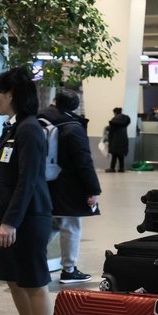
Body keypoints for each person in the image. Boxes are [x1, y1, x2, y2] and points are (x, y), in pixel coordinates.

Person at [0, 68, 54, 315]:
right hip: (13, 216)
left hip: (30, 217)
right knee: (15, 280)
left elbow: (27, 180)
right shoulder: (13, 128)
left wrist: (11, 220)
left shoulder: (29, 129)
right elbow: (5, 175)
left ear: (12, 94)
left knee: (33, 281)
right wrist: (0, 214)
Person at [40, 88, 101, 284]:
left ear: (55, 102)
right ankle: (69, 270)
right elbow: (83, 161)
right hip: (68, 186)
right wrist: (93, 189)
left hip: (42, 182)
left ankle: (32, 261)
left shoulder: (38, 120)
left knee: (51, 224)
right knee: (71, 225)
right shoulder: (72, 126)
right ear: (75, 106)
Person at [105, 107, 129, 173]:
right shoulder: (125, 120)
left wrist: (107, 128)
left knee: (114, 155)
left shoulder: (114, 120)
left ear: (115, 112)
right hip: (124, 139)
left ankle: (112, 168)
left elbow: (111, 130)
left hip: (115, 140)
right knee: (121, 155)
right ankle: (121, 168)